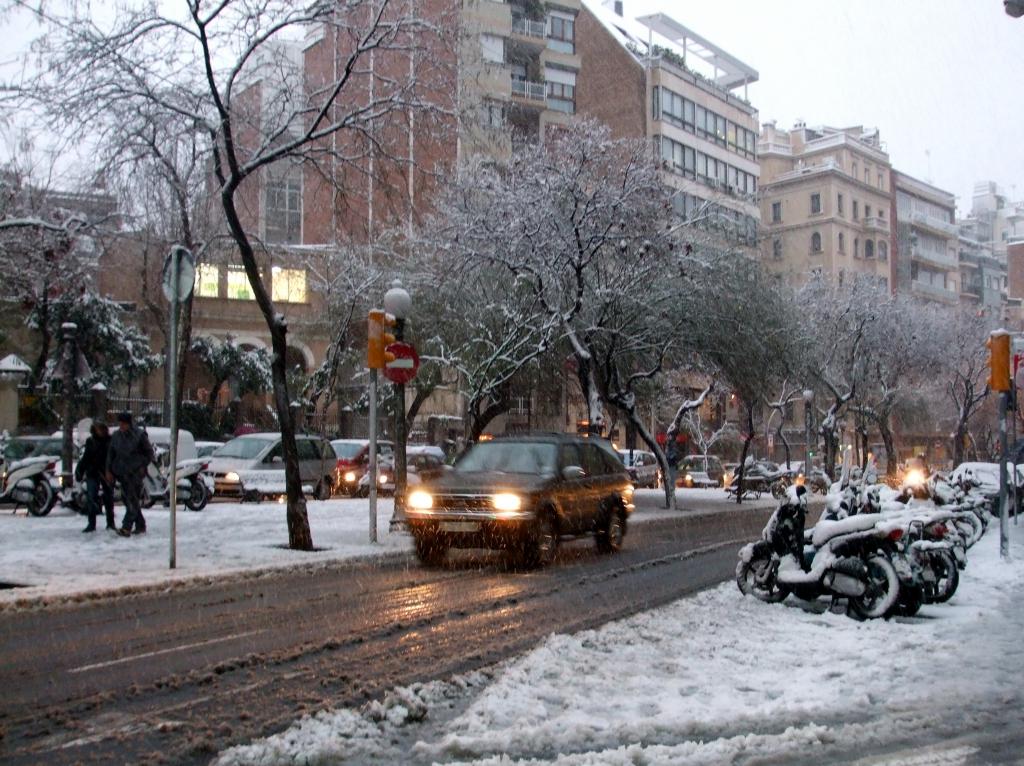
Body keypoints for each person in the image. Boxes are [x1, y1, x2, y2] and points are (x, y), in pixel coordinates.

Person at [105, 412, 154, 537]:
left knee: (131, 499)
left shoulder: (139, 435)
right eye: (120, 423)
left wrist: (142, 465)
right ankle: (140, 524)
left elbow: (149, 453)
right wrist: (109, 470)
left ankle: (126, 526)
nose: (121, 426)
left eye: (123, 424)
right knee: (128, 500)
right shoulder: (116, 436)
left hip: (135, 472)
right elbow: (111, 454)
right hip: (121, 472)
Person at [75, 421, 116, 533]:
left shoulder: (110, 441)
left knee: (108, 498)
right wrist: (80, 469)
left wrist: (112, 471)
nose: (99, 431)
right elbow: (86, 457)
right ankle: (91, 523)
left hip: (106, 472)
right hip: (93, 472)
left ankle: (110, 523)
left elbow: (113, 457)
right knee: (91, 498)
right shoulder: (91, 441)